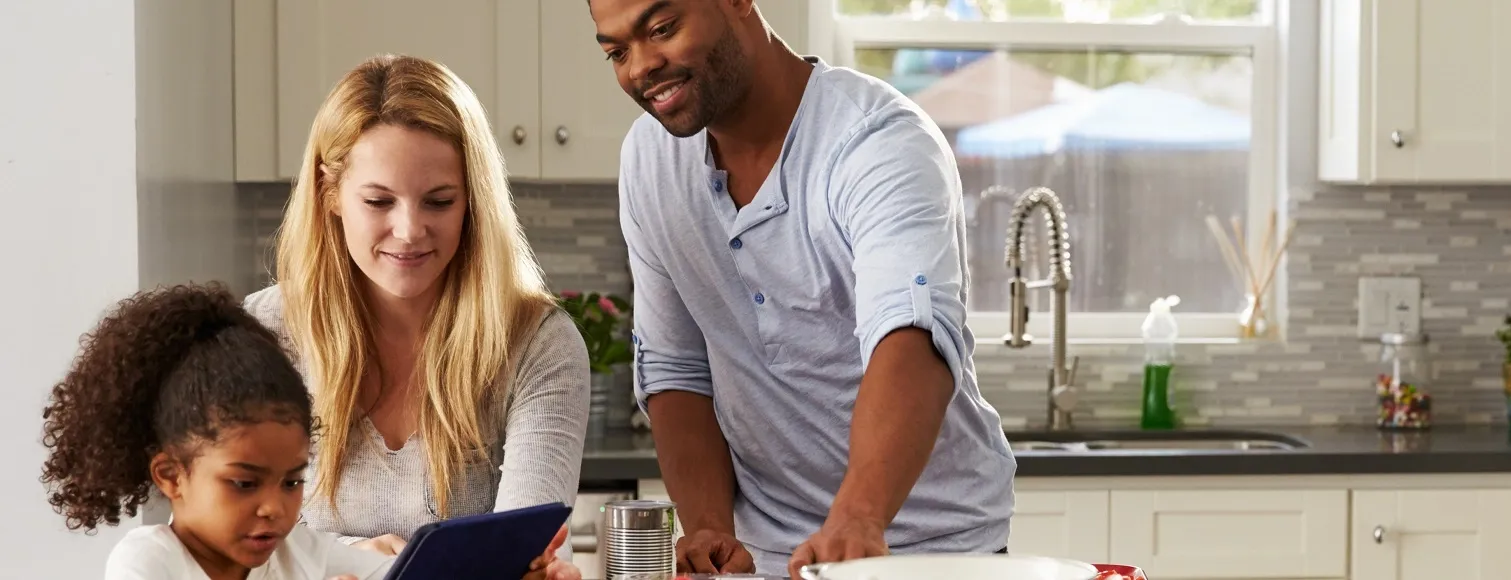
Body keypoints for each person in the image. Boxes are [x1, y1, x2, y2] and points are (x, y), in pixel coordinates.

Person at [587, 0, 1017, 576]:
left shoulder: (877, 141)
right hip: (768, 554)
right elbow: (675, 367)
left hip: (931, 549)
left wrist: (859, 517)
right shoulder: (649, 160)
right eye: (616, 51)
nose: (639, 66)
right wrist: (711, 527)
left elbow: (910, 338)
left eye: (662, 29)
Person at [242, 54, 588, 579]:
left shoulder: (539, 344)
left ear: (473, 200)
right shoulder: (265, 334)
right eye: (379, 201)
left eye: (439, 202)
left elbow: (521, 554)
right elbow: (230, 538)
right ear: (329, 193)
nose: (409, 230)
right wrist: (352, 558)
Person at [39, 282, 572, 580]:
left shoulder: (297, 552)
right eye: (245, 483)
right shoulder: (148, 563)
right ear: (171, 476)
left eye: (292, 482)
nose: (275, 507)